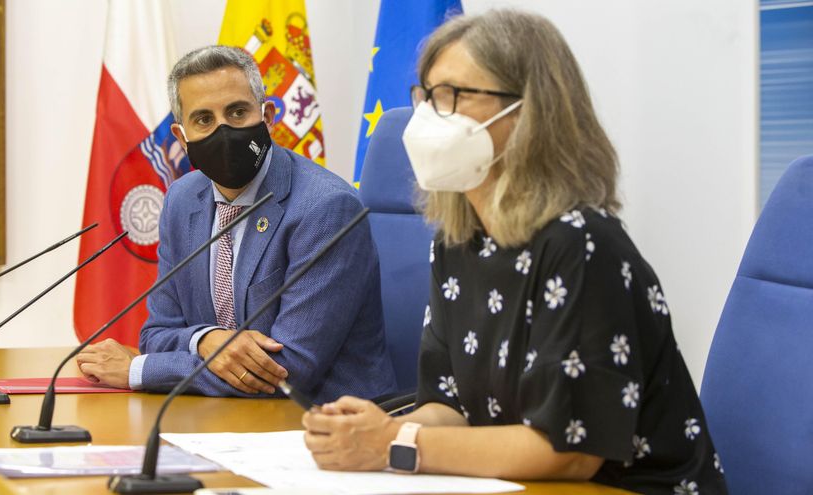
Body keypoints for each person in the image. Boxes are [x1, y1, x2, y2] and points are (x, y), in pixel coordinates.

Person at [301, 10, 727, 494]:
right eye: (427, 96)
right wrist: (374, 431)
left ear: (528, 113)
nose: (426, 118)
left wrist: (395, 442)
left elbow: (567, 452)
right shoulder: (457, 239)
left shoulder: (582, 244)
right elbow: (450, 406)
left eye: (453, 96)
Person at [76, 45, 397, 403]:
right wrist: (208, 340)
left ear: (268, 116)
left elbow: (286, 370)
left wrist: (139, 370)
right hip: (224, 418)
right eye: (203, 120)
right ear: (182, 138)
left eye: (237, 112)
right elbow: (156, 334)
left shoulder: (325, 208)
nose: (222, 131)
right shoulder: (182, 200)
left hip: (326, 423)